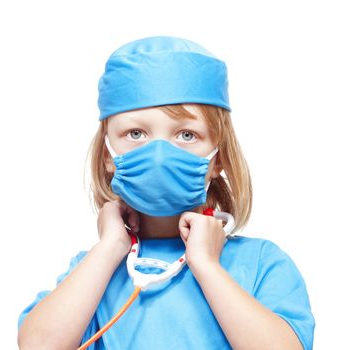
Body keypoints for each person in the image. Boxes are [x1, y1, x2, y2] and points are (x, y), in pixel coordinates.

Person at [17, 36, 315, 350]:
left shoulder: (261, 263)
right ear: (108, 155)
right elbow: (38, 345)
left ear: (219, 158)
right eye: (135, 133)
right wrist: (110, 247)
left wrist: (207, 265)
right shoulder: (93, 270)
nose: (159, 155)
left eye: (186, 134)